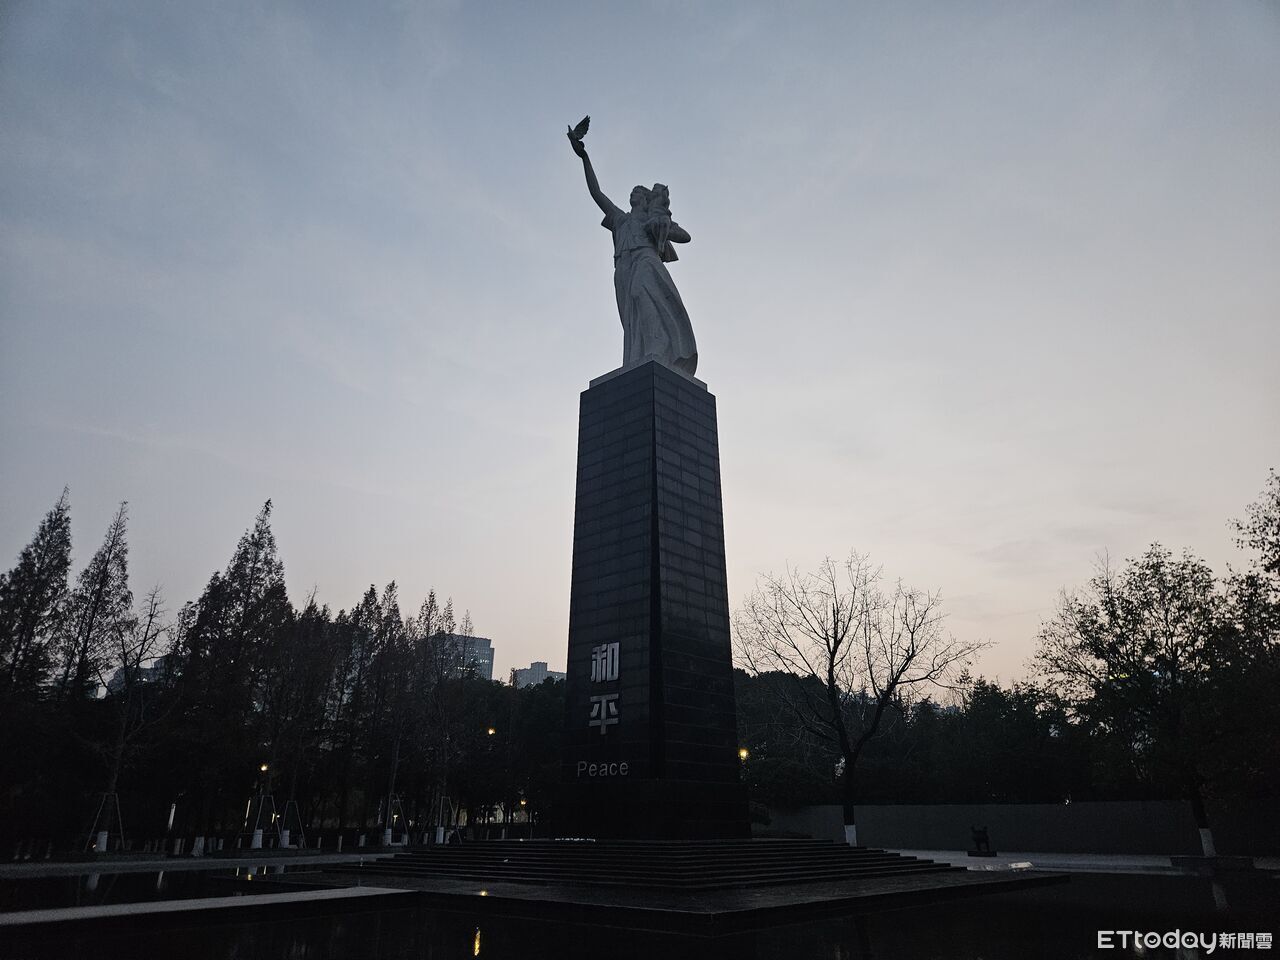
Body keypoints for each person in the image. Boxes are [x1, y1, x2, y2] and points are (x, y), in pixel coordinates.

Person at [570, 133, 698, 376]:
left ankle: (659, 345)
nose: (632, 194)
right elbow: (596, 193)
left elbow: (685, 236)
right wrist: (584, 157)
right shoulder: (621, 219)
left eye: (637, 192)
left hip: (646, 260)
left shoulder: (652, 219)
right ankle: (642, 352)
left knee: (642, 292)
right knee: (630, 319)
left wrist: (662, 225)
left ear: (644, 198)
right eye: (631, 192)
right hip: (623, 268)